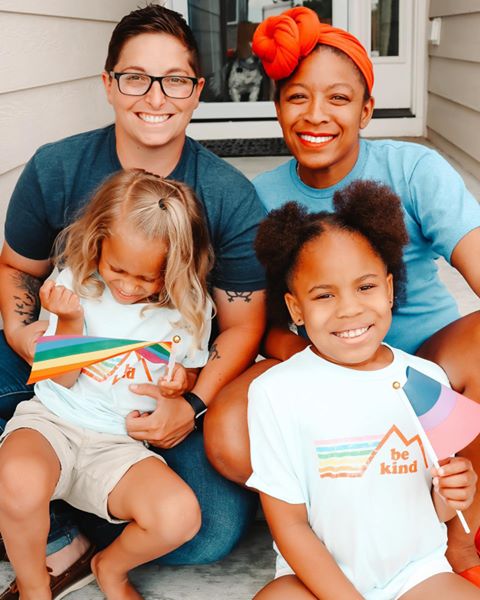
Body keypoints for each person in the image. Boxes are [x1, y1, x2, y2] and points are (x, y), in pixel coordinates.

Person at [204, 6, 480, 585]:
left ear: (366, 109)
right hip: (322, 368)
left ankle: (459, 532)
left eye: (338, 98)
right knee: (228, 432)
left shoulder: (413, 169)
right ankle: (331, 514)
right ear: (278, 108)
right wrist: (329, 373)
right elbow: (268, 323)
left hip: (422, 361)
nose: (316, 115)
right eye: (297, 97)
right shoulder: (261, 198)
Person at [0, 4, 266, 597]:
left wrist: (190, 402)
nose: (155, 96)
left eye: (174, 79)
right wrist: (26, 337)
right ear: (109, 83)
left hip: (134, 405)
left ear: (197, 89)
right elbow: (18, 270)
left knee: (209, 531)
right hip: (56, 370)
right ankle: (51, 529)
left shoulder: (226, 196)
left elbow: (241, 326)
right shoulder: (58, 167)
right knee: (18, 466)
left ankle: (77, 521)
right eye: (135, 77)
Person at [247, 179, 479, 600]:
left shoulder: (426, 378)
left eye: (366, 286)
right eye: (324, 295)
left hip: (416, 573)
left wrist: (457, 492)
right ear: (296, 309)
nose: (349, 308)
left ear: (389, 290)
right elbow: (289, 525)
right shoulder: (275, 392)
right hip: (318, 580)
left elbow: (436, 506)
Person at [0, 169, 216, 599]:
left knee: (179, 516)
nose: (128, 287)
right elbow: (60, 376)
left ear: (176, 267)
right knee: (16, 481)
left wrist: (180, 384)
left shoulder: (189, 311)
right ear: (98, 241)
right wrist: (71, 320)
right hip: (52, 423)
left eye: (147, 278)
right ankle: (34, 585)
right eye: (118, 269)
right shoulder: (72, 286)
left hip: (119, 448)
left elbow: (191, 369)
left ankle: (110, 567)